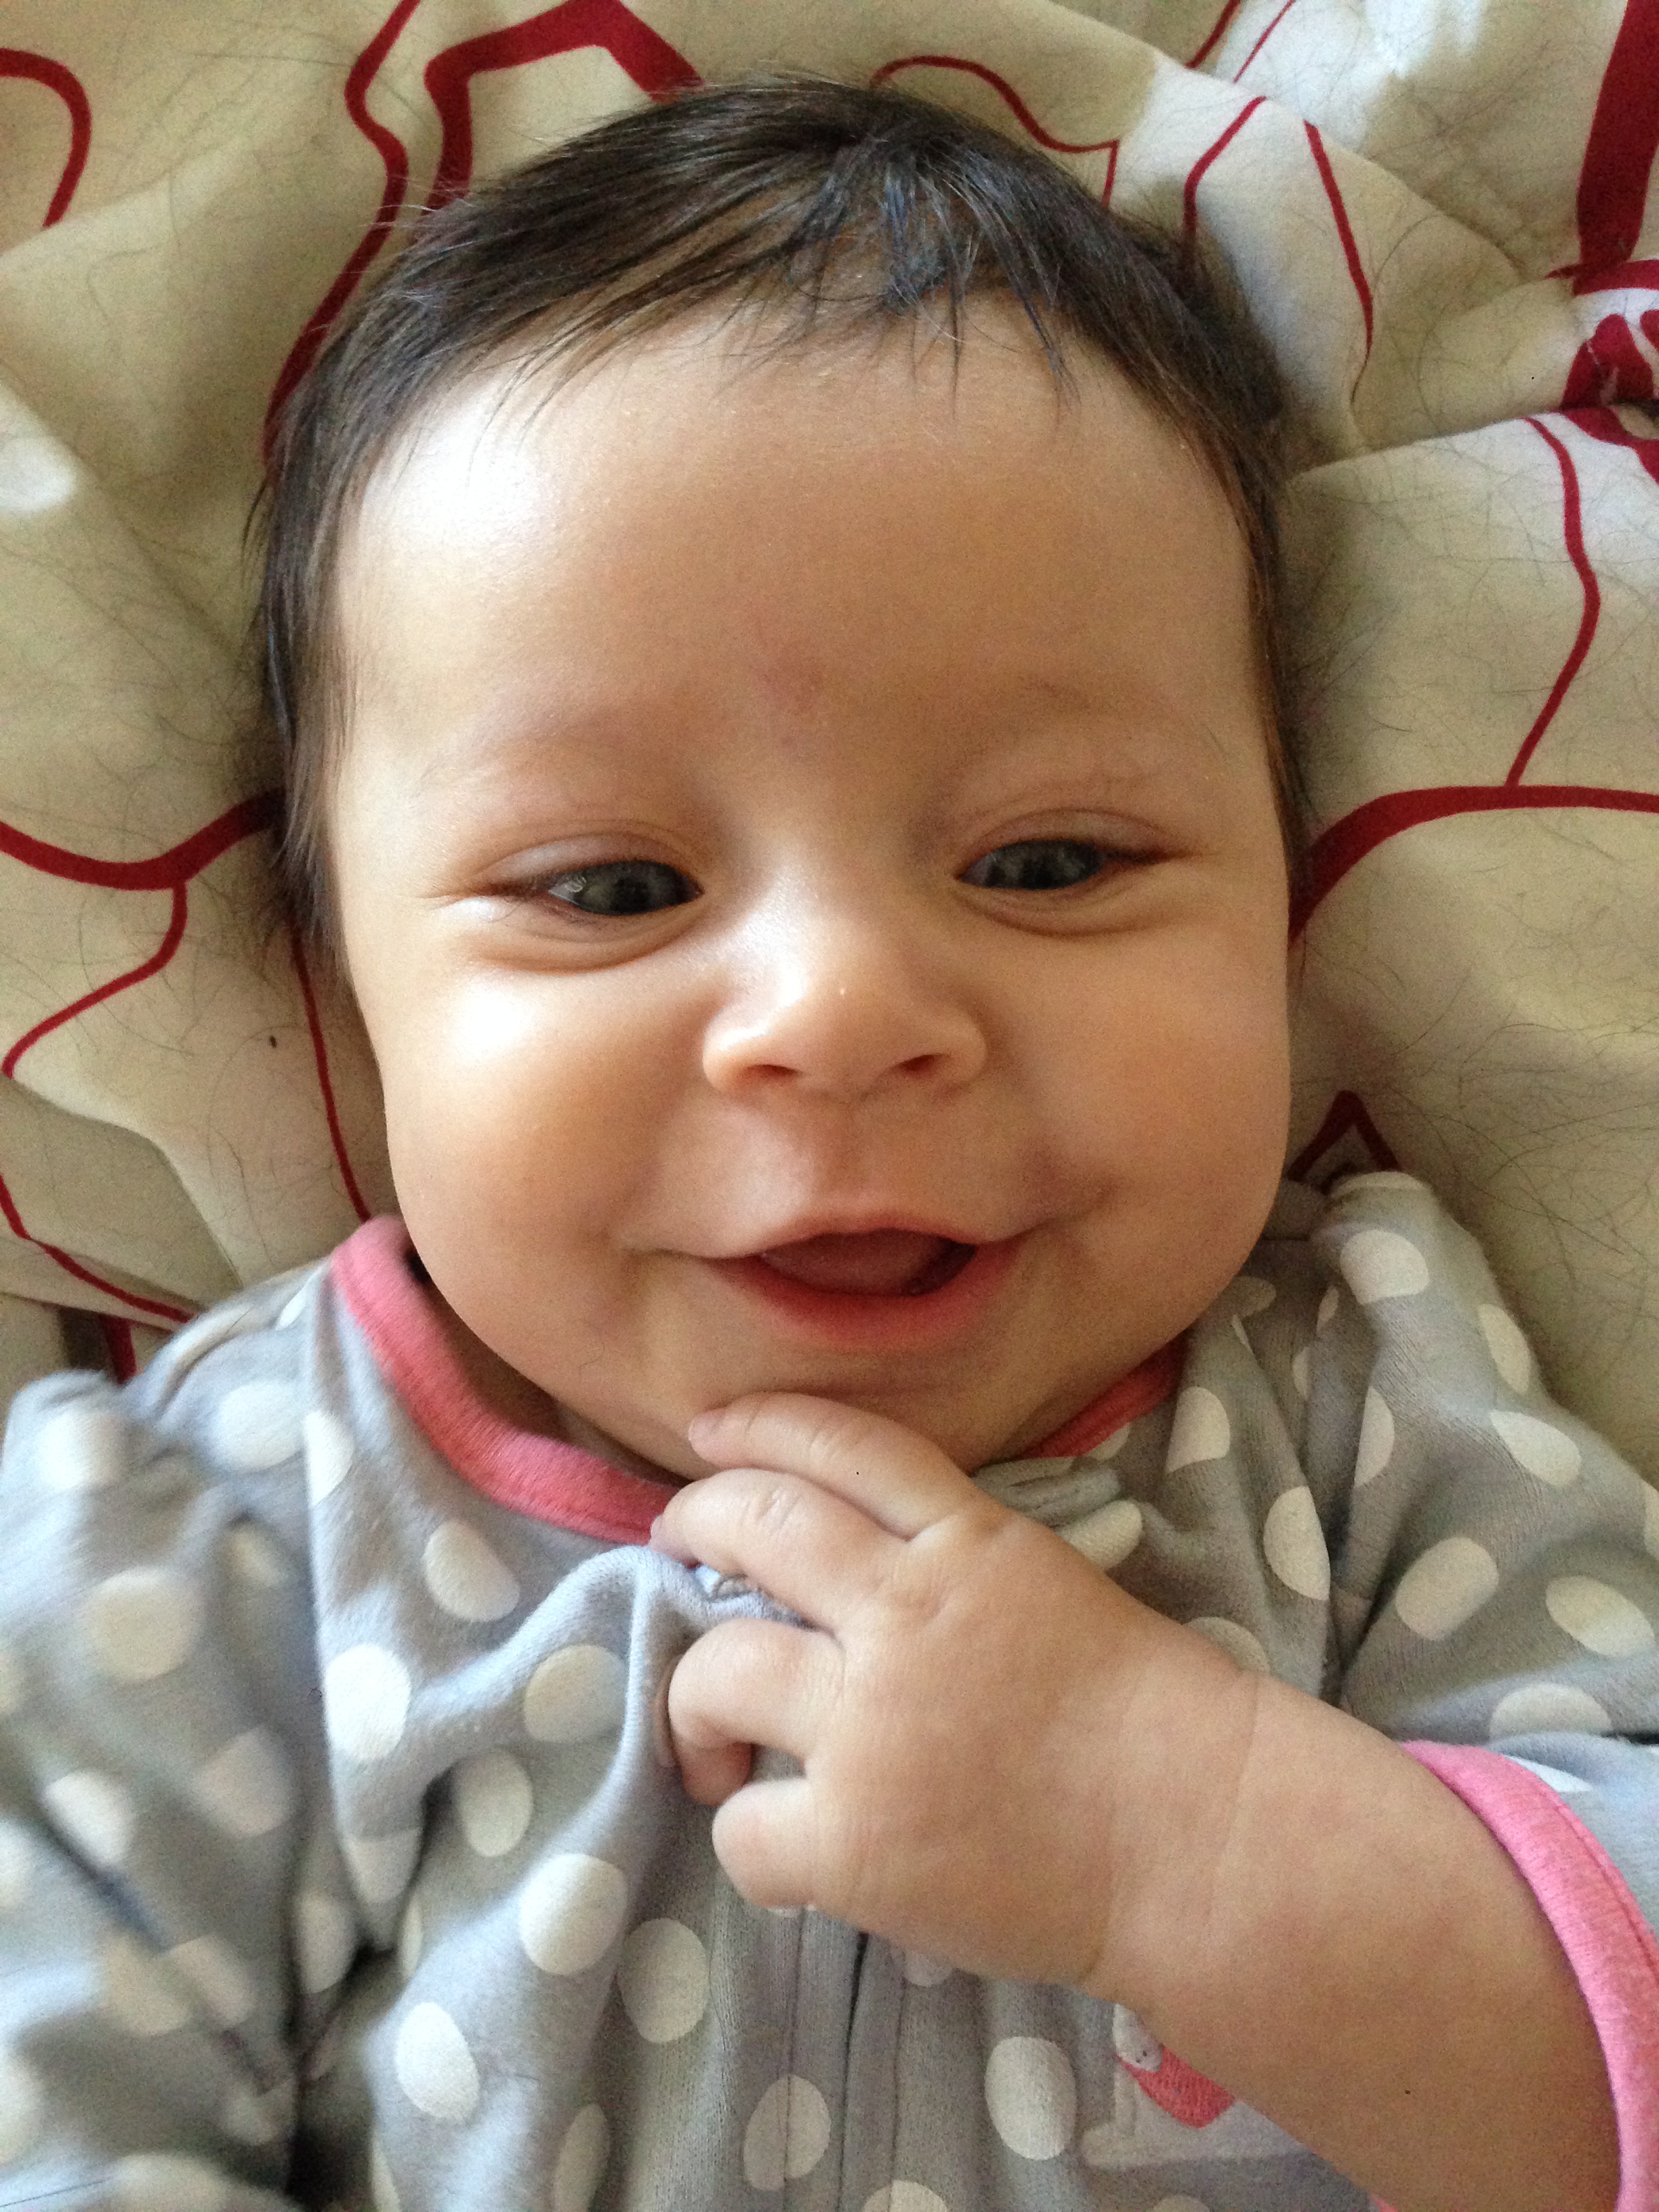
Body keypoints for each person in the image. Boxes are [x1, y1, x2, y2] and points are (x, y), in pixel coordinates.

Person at [0, 75, 1652, 2212]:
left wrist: (1182, 1830)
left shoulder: (1365, 1410)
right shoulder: (242, 1523)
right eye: (613, 890)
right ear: (343, 991)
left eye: (1048, 859)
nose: (844, 1015)